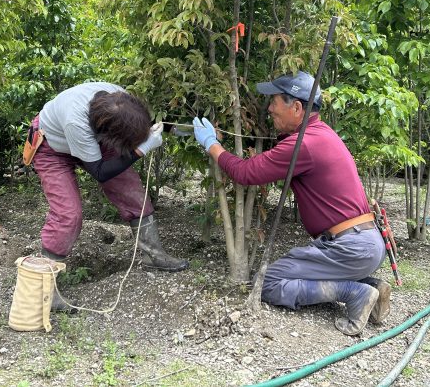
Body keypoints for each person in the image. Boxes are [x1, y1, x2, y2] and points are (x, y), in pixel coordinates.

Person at [191, 71, 390, 335]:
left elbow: (245, 173)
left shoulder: (303, 145)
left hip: (349, 248)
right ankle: (372, 285)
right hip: (364, 245)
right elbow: (274, 156)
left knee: (269, 282)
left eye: (274, 101)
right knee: (299, 271)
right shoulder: (320, 134)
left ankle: (355, 291)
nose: (269, 108)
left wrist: (211, 145)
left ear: (296, 107)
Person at [28, 81, 189, 311]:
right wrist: (141, 149)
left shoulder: (119, 99)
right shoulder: (77, 122)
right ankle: (45, 293)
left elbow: (139, 120)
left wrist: (171, 127)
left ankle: (154, 257)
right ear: (109, 134)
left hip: (96, 137)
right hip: (52, 147)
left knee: (131, 190)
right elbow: (101, 173)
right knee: (68, 214)